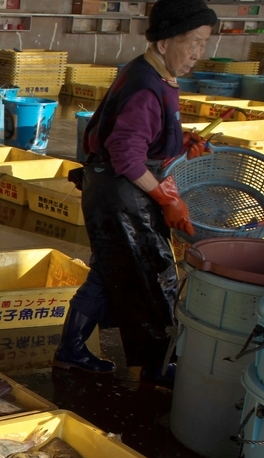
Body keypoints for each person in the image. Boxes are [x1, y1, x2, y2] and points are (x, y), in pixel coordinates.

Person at [54, 0, 217, 386]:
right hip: (120, 195)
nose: (198, 53)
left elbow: (138, 139)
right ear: (163, 43)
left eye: (204, 43)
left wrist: (179, 141)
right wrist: (166, 197)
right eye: (192, 42)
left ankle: (72, 350)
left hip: (113, 191)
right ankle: (153, 367)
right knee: (152, 275)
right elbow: (126, 155)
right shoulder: (147, 86)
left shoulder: (153, 74)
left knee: (111, 270)